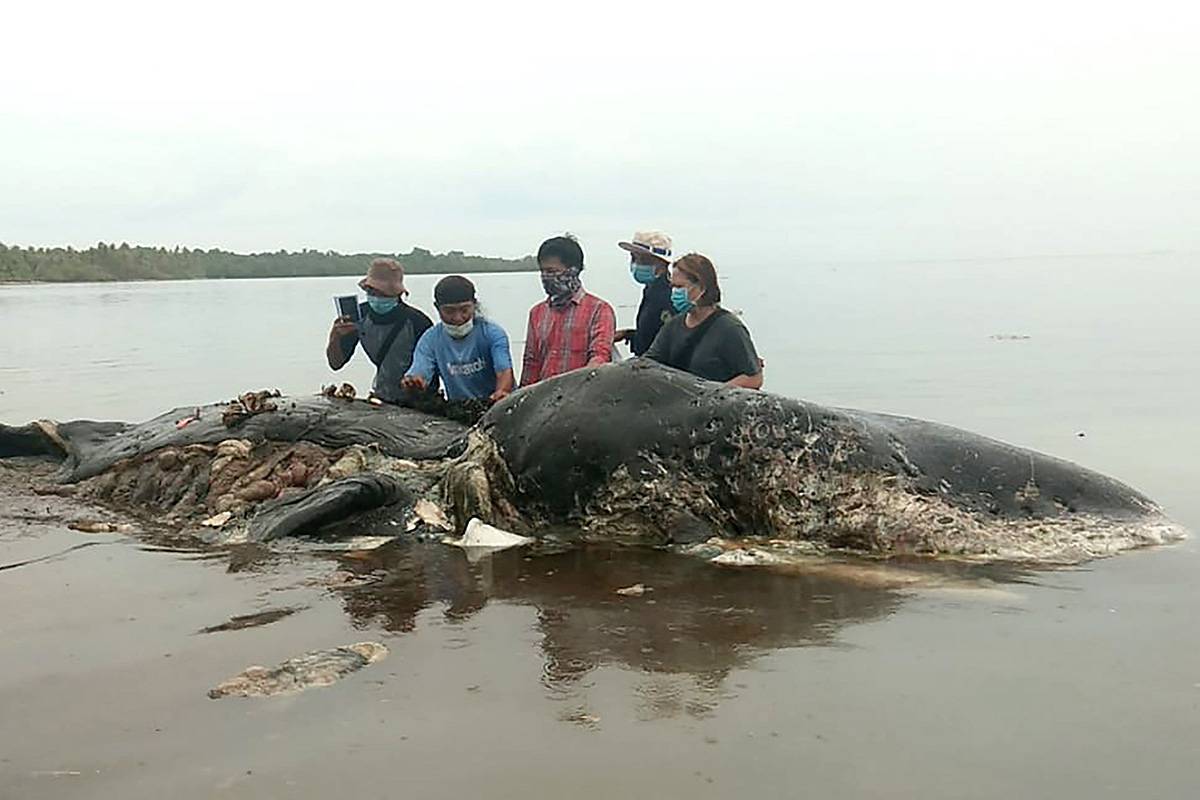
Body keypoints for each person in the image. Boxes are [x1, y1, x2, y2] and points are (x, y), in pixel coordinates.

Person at [643, 253, 763, 389]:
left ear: (701, 287)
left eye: (680, 287)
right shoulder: (673, 326)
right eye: (673, 287)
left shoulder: (729, 328)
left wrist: (714, 393)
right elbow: (649, 363)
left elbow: (754, 378)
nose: (675, 292)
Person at [325, 257, 435, 403]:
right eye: (371, 291)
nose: (377, 296)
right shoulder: (358, 316)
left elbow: (432, 367)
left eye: (383, 293)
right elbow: (336, 364)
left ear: (398, 293)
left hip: (420, 400)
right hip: (381, 398)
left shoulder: (418, 322)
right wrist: (335, 337)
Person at [520, 235, 616, 387]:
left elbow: (600, 356)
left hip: (581, 396)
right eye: (542, 271)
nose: (546, 277)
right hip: (543, 399)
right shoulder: (536, 313)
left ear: (573, 271)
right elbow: (531, 363)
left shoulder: (599, 310)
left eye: (552, 271)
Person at [401, 275, 515, 402]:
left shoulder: (492, 333)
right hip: (459, 408)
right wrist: (414, 383)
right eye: (449, 311)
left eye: (464, 310)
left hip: (495, 405)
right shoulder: (430, 340)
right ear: (437, 307)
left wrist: (501, 392)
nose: (458, 318)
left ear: (474, 305)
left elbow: (504, 370)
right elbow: (419, 372)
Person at [613, 230, 674, 357]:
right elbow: (651, 332)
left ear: (659, 262)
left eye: (640, 259)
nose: (634, 263)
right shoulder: (651, 290)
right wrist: (629, 335)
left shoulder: (668, 296)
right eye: (633, 258)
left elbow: (665, 342)